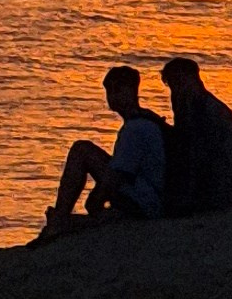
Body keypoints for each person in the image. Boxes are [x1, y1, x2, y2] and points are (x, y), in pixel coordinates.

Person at [40, 64, 169, 234]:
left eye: (118, 89)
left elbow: (118, 175)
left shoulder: (136, 128)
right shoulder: (142, 120)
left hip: (144, 201)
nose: (113, 96)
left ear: (131, 91)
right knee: (83, 150)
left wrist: (95, 199)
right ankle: (63, 218)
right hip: (146, 196)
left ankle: (61, 218)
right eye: (109, 91)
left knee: (82, 150)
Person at [161, 54, 232, 214]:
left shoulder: (202, 109)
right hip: (221, 186)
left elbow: (194, 151)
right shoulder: (198, 104)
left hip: (217, 190)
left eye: (177, 83)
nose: (175, 91)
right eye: (172, 86)